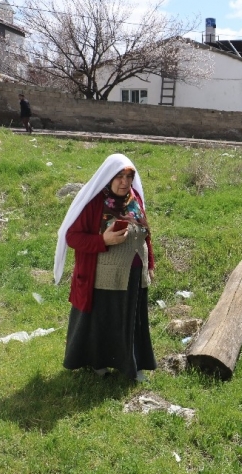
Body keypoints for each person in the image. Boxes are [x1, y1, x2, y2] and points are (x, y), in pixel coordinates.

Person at [54, 154, 157, 381]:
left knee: (132, 319)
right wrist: (103, 241)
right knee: (105, 320)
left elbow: (145, 232)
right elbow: (72, 237)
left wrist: (150, 263)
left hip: (134, 274)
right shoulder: (94, 204)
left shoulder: (135, 199)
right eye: (119, 176)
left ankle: (133, 363)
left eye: (129, 177)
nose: (124, 182)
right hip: (103, 277)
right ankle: (99, 363)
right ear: (109, 177)